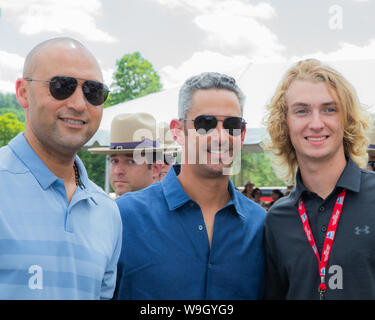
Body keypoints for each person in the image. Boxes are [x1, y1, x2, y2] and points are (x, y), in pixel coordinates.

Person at [114, 72, 266, 299]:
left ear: (242, 134)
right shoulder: (125, 217)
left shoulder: (261, 225)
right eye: (206, 123)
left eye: (232, 125)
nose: (221, 136)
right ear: (177, 131)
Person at [0, 37, 122, 299]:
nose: (79, 104)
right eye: (61, 86)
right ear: (23, 92)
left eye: (93, 92)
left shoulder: (107, 211)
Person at [263, 58, 374, 299]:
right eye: (301, 111)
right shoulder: (276, 220)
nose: (316, 123)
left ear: (346, 120)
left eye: (329, 109)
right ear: (285, 123)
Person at [89, 113, 163, 197]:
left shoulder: (166, 209)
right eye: (114, 161)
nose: (118, 171)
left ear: (155, 168)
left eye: (131, 161)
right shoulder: (102, 208)